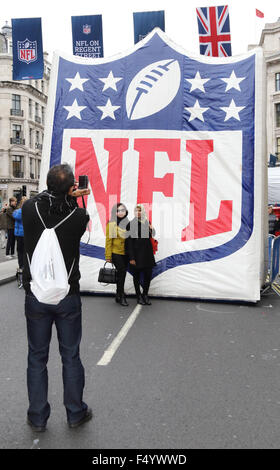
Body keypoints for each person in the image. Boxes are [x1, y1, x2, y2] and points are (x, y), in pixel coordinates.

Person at [22, 163, 92, 432]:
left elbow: (41, 200)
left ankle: (38, 417)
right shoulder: (79, 216)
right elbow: (72, 216)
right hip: (67, 296)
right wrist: (72, 198)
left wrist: (60, 193)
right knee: (70, 356)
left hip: (36, 296)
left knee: (37, 357)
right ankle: (75, 413)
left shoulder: (29, 209)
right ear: (72, 187)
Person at [126, 204, 156, 305]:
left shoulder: (147, 222)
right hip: (137, 254)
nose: (138, 213)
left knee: (148, 275)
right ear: (134, 212)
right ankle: (138, 296)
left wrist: (151, 228)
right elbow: (129, 242)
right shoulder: (131, 224)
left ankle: (145, 295)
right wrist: (131, 257)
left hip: (147, 253)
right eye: (136, 211)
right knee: (137, 276)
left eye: (140, 211)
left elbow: (152, 235)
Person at [105, 203, 129, 306]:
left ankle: (118, 294)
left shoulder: (128, 223)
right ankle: (121, 295)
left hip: (126, 253)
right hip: (116, 253)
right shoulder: (112, 224)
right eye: (118, 210)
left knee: (121, 274)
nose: (121, 212)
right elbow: (109, 241)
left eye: (123, 210)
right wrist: (108, 256)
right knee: (122, 272)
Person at [13, 196, 28, 288]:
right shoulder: (29, 212)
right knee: (25, 252)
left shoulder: (19, 212)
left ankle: (21, 268)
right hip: (26, 235)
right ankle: (24, 269)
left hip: (19, 235)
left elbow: (15, 215)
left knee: (20, 252)